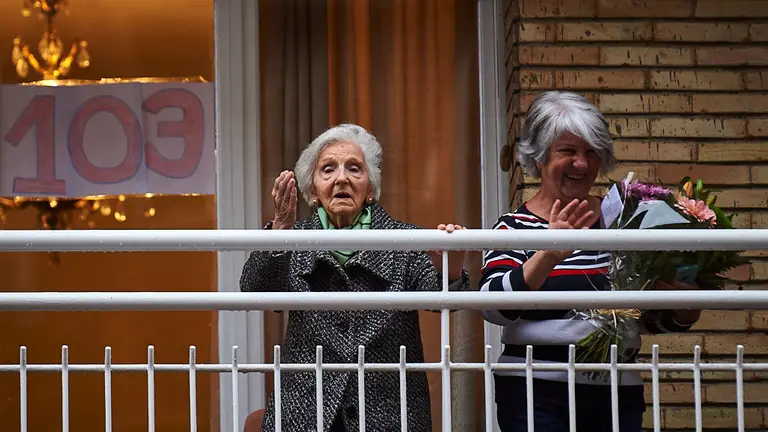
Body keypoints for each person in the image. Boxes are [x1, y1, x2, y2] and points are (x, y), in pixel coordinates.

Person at [480, 91, 701, 432]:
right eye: (567, 151)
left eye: (591, 152)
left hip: (617, 388)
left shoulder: (627, 220)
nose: (581, 164)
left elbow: (646, 319)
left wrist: (684, 308)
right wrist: (549, 255)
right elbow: (492, 307)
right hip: (534, 389)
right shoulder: (515, 226)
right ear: (539, 157)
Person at [240, 124, 470, 432]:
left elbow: (443, 298)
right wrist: (280, 229)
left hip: (389, 415)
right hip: (307, 415)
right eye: (328, 169)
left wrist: (451, 266)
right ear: (312, 191)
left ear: (371, 189)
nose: (342, 178)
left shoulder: (404, 239)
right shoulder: (293, 239)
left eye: (354, 169)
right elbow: (255, 289)